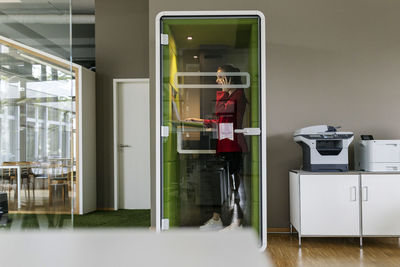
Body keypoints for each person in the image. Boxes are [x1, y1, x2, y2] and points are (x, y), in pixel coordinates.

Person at [186, 64, 248, 230]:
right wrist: (199, 121)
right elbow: (220, 122)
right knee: (218, 184)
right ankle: (217, 219)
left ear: (230, 77)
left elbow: (225, 118)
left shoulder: (238, 95)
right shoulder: (229, 96)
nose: (217, 80)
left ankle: (235, 223)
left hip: (233, 146)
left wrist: (225, 92)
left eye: (220, 77)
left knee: (233, 186)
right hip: (225, 145)